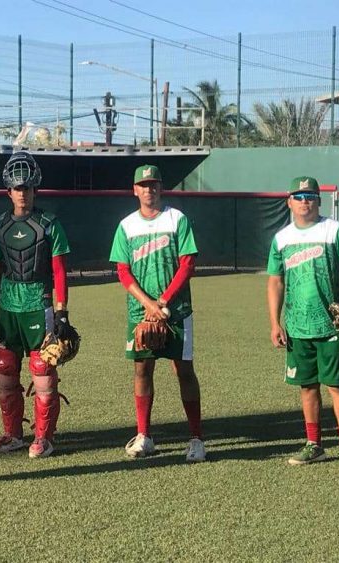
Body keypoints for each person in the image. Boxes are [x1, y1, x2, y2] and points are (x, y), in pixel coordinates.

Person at [267, 176, 339, 474]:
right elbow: (275, 281)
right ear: (289, 201)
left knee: (336, 385)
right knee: (307, 386)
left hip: (330, 325)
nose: (305, 201)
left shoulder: (335, 230)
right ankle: (315, 445)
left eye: (310, 195)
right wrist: (275, 322)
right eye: (299, 196)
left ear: (319, 199)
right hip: (297, 326)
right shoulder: (281, 238)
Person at [109, 165, 206, 462]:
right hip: (141, 311)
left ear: (161, 188)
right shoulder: (126, 226)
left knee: (183, 370)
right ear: (135, 190)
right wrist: (150, 305)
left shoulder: (177, 219)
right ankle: (144, 435)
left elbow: (187, 263)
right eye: (143, 185)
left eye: (154, 184)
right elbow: (123, 272)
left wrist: (163, 301)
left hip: (176, 311)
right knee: (141, 370)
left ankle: (196, 439)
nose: (149, 189)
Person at [0, 151, 73, 459]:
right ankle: (13, 434)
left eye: (27, 187)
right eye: (17, 188)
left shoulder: (50, 224)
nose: (22, 193)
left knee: (42, 369)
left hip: (39, 304)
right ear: (8, 191)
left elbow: (60, 270)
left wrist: (61, 312)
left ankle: (44, 436)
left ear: (36, 189)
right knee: (5, 368)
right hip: (8, 307)